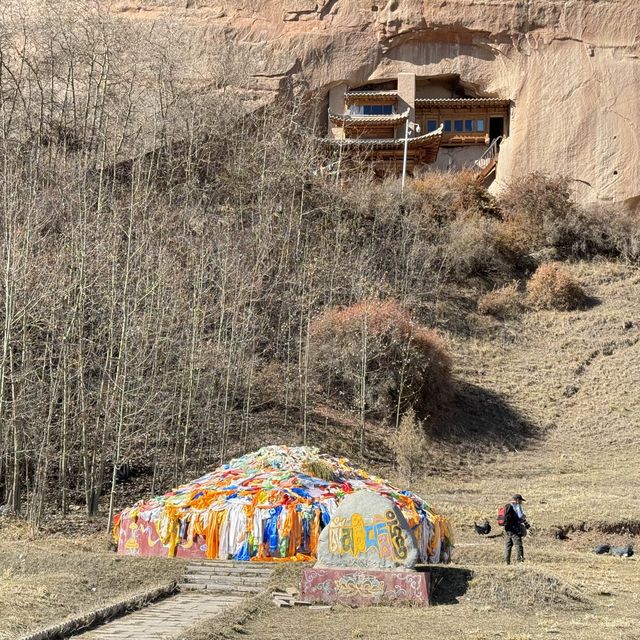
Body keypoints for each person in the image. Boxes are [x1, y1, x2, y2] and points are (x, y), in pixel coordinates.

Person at [504, 494, 530, 564]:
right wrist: (525, 520)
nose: (521, 502)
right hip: (515, 529)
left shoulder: (507, 505)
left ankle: (506, 562)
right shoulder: (517, 506)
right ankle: (520, 561)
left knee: (508, 546)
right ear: (518, 500)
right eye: (521, 500)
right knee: (518, 545)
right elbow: (520, 516)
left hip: (507, 529)